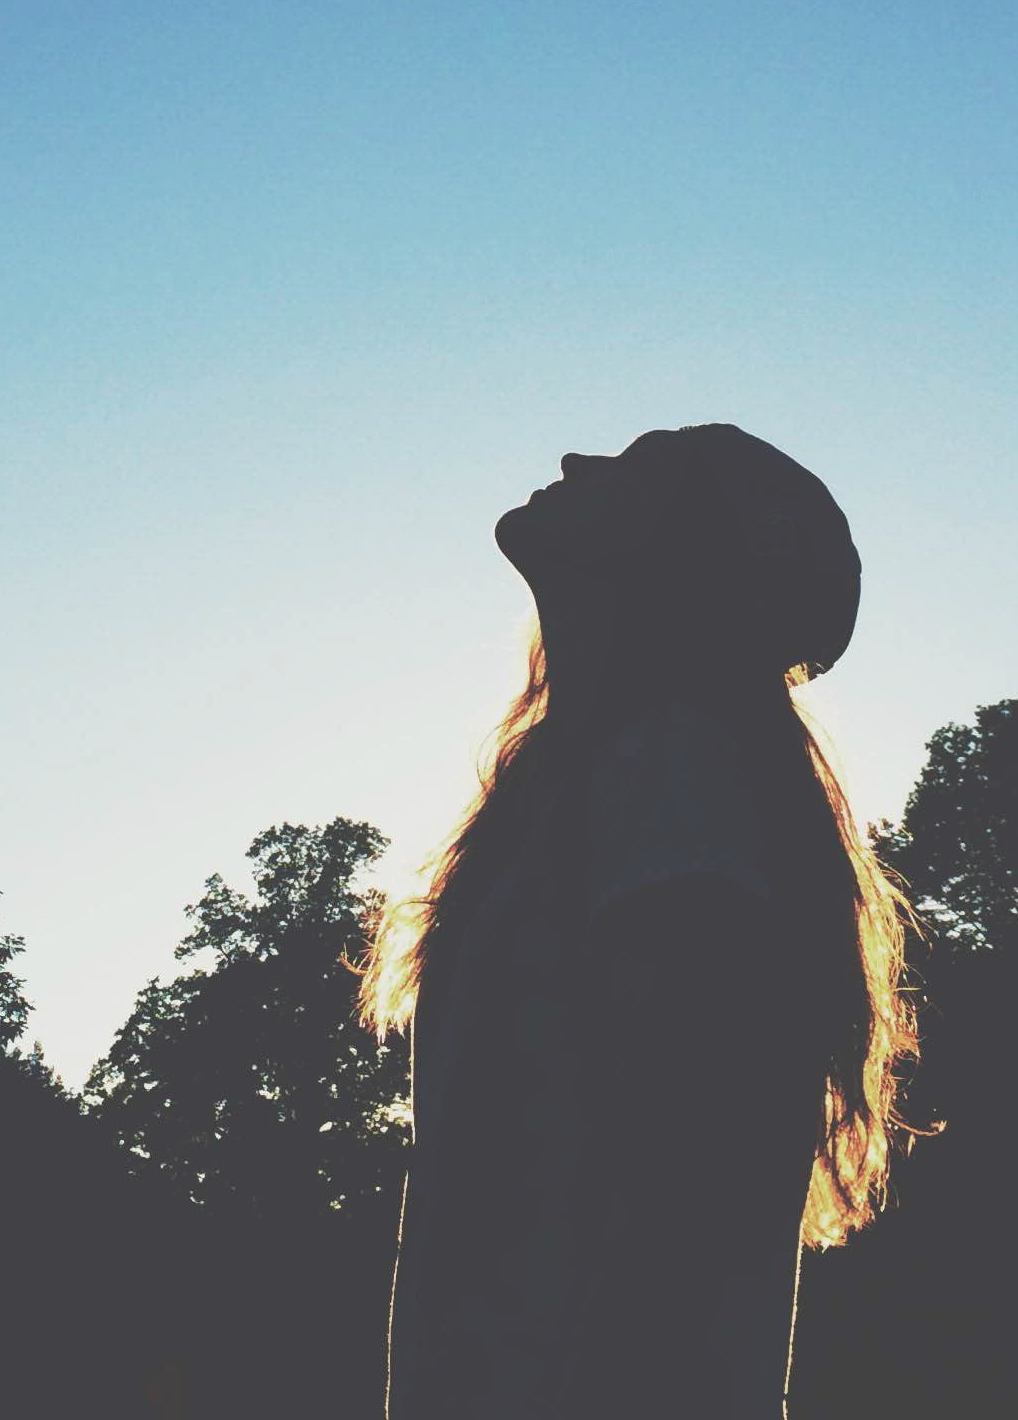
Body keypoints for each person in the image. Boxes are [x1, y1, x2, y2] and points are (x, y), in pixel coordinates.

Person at [357, 424, 920, 1420]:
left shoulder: (675, 778)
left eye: (640, 466)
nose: (579, 462)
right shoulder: (613, 782)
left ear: (686, 560)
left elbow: (687, 1173)